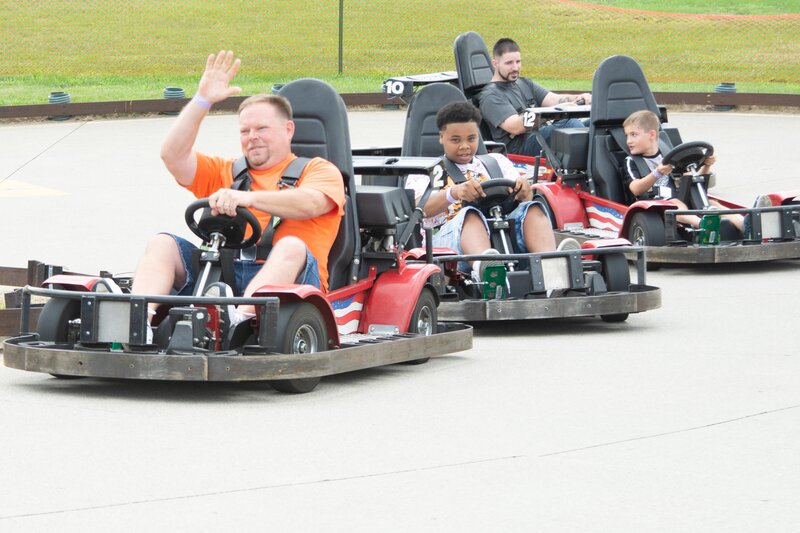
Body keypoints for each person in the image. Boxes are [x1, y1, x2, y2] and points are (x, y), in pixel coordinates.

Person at [132, 50, 345, 325]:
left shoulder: (319, 170)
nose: (252, 137)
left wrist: (247, 199)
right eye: (245, 131)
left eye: (262, 129)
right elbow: (172, 155)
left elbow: (311, 203)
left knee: (291, 246)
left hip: (295, 285)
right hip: (224, 277)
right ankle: (138, 323)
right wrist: (202, 100)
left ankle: (238, 324)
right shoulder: (228, 172)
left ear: (288, 130)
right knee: (162, 243)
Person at [406, 101, 575, 282]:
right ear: (441, 137)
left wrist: (523, 191)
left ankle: (551, 270)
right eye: (456, 140)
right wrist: (453, 193)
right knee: (470, 215)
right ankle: (489, 273)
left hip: (500, 234)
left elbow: (525, 200)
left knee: (532, 209)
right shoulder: (427, 170)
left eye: (471, 139)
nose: (464, 146)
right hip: (446, 247)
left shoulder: (496, 161)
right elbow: (418, 208)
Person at [622, 109, 744, 232]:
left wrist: (706, 166)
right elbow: (636, 189)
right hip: (652, 206)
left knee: (710, 203)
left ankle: (744, 224)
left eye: (634, 135)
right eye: (627, 136)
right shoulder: (631, 161)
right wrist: (657, 173)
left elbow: (691, 182)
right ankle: (704, 225)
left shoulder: (670, 156)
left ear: (652, 135)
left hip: (679, 199)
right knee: (676, 205)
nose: (628, 141)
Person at [479, 37, 591, 157]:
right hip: (520, 149)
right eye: (509, 63)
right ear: (495, 64)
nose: (515, 68)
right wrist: (554, 112)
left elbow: (555, 99)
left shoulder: (523, 83)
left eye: (518, 62)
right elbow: (516, 126)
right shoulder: (491, 96)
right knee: (570, 125)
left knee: (593, 124)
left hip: (539, 135)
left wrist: (579, 97)